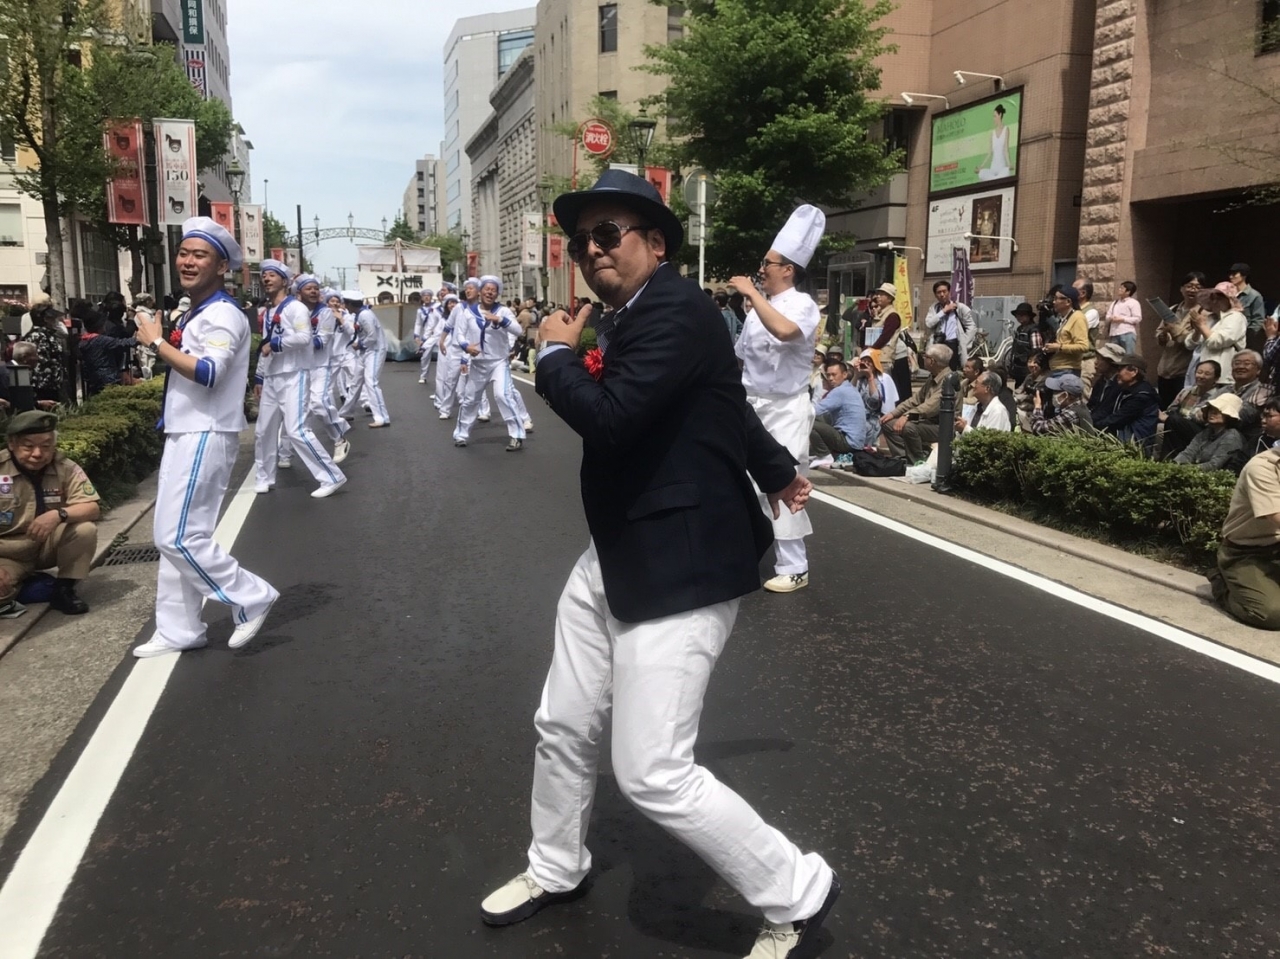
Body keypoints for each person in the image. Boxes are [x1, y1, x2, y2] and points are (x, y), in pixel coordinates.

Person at [480, 170, 839, 959]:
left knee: (651, 770)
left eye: (609, 233)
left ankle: (798, 888)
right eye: (582, 239)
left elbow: (612, 420)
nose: (592, 249)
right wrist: (777, 469)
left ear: (656, 244)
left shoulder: (672, 309)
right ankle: (556, 864)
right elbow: (722, 402)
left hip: (681, 563)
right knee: (563, 721)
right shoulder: (632, 313)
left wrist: (552, 356)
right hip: (616, 548)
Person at [130, 217, 278, 656]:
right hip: (185, 430)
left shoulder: (222, 314)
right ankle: (180, 629)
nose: (188, 262)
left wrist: (156, 343)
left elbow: (210, 373)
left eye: (200, 255)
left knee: (177, 537)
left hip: (204, 431)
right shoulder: (198, 310)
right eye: (184, 253)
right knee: (172, 535)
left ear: (221, 267)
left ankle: (251, 595)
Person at [729, 205, 826, 594]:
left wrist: (752, 294)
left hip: (786, 406)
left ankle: (794, 565)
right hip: (752, 405)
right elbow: (740, 357)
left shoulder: (802, 304)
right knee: (739, 479)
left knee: (781, 480)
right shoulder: (757, 310)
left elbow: (786, 332)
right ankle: (741, 550)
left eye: (767, 264)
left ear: (788, 269)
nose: (761, 269)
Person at [252, 262, 347, 498]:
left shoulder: (296, 308)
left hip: (295, 373)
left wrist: (276, 344)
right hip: (272, 375)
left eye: (272, 275)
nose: (266, 279)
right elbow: (264, 345)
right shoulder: (268, 312)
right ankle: (264, 477)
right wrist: (260, 376)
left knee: (297, 430)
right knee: (263, 430)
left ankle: (331, 476)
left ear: (284, 281)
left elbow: (304, 338)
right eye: (264, 276)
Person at [0, 411, 100, 616]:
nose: (38, 454)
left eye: (46, 446)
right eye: (28, 446)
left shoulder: (65, 467)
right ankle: (27, 585)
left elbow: (92, 507)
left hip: (45, 545)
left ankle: (64, 590)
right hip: (6, 553)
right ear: (11, 444)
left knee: (84, 530)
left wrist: (58, 515)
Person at [1209, 425, 1280, 629]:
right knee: (1270, 614)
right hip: (1246, 552)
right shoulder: (1262, 467)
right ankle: (1221, 583)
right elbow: (1276, 516)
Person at [452, 275, 526, 450]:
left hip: (499, 362)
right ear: (480, 291)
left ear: (497, 294)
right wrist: (466, 347)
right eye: (487, 289)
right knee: (470, 399)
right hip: (478, 364)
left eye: (493, 290)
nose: (490, 293)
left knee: (503, 395)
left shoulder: (503, 311)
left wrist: (500, 320)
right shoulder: (468, 312)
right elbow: (459, 334)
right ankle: (461, 434)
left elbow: (518, 330)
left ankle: (516, 435)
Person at [297, 279, 351, 465]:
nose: (313, 291)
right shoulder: (295, 311)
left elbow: (322, 341)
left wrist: (292, 342)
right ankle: (285, 452)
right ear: (299, 293)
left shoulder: (326, 313)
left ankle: (339, 437)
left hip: (321, 365)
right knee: (298, 409)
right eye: (308, 288)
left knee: (318, 403)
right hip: (299, 365)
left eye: (316, 289)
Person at [881, 343, 953, 462]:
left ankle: (917, 461)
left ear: (932, 361)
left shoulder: (949, 380)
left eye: (926, 356)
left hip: (943, 427)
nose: (923, 358)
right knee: (887, 423)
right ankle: (903, 458)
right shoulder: (932, 377)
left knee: (909, 427)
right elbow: (915, 400)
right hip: (927, 423)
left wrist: (907, 416)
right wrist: (894, 413)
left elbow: (930, 407)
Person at [338, 291, 391, 428]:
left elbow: (372, 336)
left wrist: (360, 344)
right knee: (356, 382)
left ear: (351, 304)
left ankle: (381, 417)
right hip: (365, 351)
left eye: (346, 303)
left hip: (375, 350)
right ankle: (346, 412)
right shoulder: (360, 314)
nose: (345, 306)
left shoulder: (365, 315)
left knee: (371, 382)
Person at [1156, 359, 1227, 460]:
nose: (1201, 376)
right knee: (1158, 425)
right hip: (1176, 424)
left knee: (1171, 423)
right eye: (1199, 372)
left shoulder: (1218, 396)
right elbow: (1172, 408)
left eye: (1207, 374)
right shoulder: (1187, 391)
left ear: (1216, 378)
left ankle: (1168, 460)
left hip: (1201, 430)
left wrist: (1172, 419)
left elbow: (1202, 418)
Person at [809, 358, 868, 467]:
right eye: (828, 375)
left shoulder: (840, 391)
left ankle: (824, 456)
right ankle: (823, 454)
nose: (830, 378)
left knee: (809, 422)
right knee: (818, 420)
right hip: (856, 443)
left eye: (834, 375)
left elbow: (814, 411)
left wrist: (797, 413)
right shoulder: (850, 388)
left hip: (848, 442)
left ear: (845, 375)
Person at [1185, 283, 1246, 386]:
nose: (1213, 301)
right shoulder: (1211, 318)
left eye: (1217, 298)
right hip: (1201, 373)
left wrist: (1202, 325)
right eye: (1212, 297)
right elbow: (1189, 344)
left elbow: (1216, 341)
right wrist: (1197, 330)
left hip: (1221, 378)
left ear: (1227, 300)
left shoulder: (1236, 317)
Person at [1093, 352, 1160, 445]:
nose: (1117, 373)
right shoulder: (1126, 389)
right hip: (1121, 436)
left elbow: (1116, 420)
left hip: (1134, 444)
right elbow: (1106, 411)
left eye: (1120, 369)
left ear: (1134, 371)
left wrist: (1092, 427)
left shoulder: (1142, 396)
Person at [864, 282, 913, 402]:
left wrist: (870, 350)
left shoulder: (892, 315)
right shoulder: (880, 312)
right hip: (878, 355)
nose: (878, 296)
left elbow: (885, 336)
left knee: (890, 387)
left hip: (887, 356)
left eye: (882, 294)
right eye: (878, 294)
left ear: (890, 298)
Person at [1174, 393, 1245, 471]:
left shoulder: (1232, 437)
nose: (1213, 412)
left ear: (1229, 416)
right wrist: (1174, 466)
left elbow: (1214, 465)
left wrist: (1185, 469)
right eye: (1211, 409)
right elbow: (1188, 453)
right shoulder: (1206, 432)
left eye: (1218, 410)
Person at [22, 302, 67, 409]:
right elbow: (42, 362)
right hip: (43, 384)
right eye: (52, 318)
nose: (55, 321)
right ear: (45, 319)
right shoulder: (39, 336)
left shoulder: (47, 334)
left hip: (50, 383)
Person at [924, 279, 974, 370]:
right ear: (935, 295)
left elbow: (971, 326)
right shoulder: (934, 308)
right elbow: (929, 324)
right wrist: (944, 311)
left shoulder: (960, 308)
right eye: (939, 292)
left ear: (949, 292)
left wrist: (964, 342)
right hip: (938, 343)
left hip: (953, 343)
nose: (942, 294)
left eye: (944, 291)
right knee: (937, 369)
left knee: (952, 369)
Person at [1044, 285, 1089, 374]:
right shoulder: (1065, 318)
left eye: (1056, 298)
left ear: (1068, 301)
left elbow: (1083, 346)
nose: (1053, 302)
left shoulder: (1078, 317)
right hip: (1057, 370)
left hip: (1068, 371)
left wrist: (1059, 347)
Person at [1008, 301, 1051, 387]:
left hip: (1027, 369)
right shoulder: (1020, 329)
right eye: (1017, 315)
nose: (1019, 317)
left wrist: (1032, 365)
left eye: (1022, 315)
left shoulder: (1034, 330)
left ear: (1029, 316)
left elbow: (1037, 351)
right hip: (1018, 369)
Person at [1228, 262, 1266, 354]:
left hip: (1245, 338)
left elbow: (1258, 320)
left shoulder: (1254, 295)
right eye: (1230, 274)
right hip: (1228, 334)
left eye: (1234, 274)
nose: (1231, 277)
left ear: (1244, 275)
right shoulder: (1227, 292)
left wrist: (1248, 335)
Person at [975, 103, 1012, 180]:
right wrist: (981, 167)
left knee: (1007, 172)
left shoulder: (1006, 129)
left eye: (995, 116)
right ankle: (995, 179)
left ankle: (996, 179)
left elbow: (1006, 150)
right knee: (981, 174)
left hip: (1002, 168)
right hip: (993, 168)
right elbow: (989, 153)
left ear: (1000, 115)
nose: (993, 118)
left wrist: (1009, 164)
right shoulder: (992, 133)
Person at [1103, 280, 1141, 353]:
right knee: (1113, 357)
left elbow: (1137, 318)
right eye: (1119, 288)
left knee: (1128, 357)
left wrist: (1122, 319)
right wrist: (1111, 318)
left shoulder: (1134, 303)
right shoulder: (1115, 303)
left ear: (1128, 292)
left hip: (1127, 333)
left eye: (1122, 288)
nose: (1119, 289)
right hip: (1114, 334)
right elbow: (1108, 316)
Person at [413, 288, 438, 384]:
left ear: (431, 297)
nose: (427, 297)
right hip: (427, 336)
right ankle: (423, 376)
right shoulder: (420, 311)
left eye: (428, 296)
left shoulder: (437, 307)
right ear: (422, 298)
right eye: (425, 296)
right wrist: (416, 336)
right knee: (425, 356)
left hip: (438, 334)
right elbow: (418, 323)